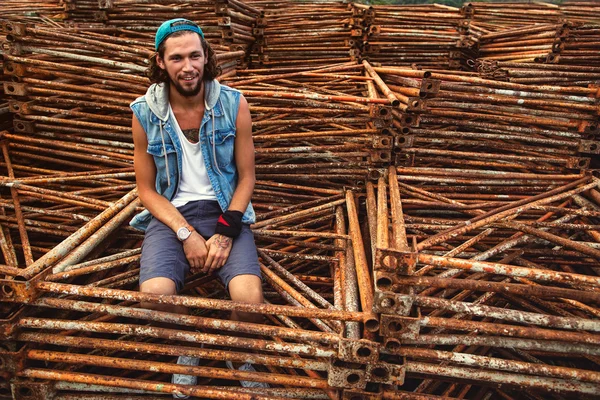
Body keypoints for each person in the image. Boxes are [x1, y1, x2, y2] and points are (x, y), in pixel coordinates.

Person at [129, 18, 267, 398]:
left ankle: (238, 355)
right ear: (160, 62)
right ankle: (188, 349)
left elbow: (247, 177)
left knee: (250, 302)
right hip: (172, 212)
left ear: (207, 58)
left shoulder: (233, 104)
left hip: (225, 208)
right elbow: (146, 190)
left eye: (195, 56)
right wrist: (185, 233)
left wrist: (225, 231)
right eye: (176, 58)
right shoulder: (144, 113)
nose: (187, 66)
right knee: (154, 295)